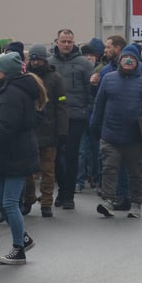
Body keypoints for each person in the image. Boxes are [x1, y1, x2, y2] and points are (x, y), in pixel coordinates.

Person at [0, 52, 44, 265]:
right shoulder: (12, 89)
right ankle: (23, 237)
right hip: (9, 154)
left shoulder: (12, 94)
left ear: (6, 71)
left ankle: (19, 248)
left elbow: (7, 127)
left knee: (8, 202)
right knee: (0, 201)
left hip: (16, 154)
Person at [90, 46, 142, 218]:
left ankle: (136, 203)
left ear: (137, 61)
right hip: (111, 134)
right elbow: (99, 105)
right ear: (120, 60)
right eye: (125, 58)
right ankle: (108, 200)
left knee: (136, 171)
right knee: (109, 168)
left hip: (134, 137)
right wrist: (94, 125)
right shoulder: (108, 79)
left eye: (132, 59)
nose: (128, 61)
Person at [48, 29, 93, 211]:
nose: (66, 44)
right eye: (63, 41)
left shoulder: (83, 64)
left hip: (76, 116)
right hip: (54, 117)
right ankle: (62, 190)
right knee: (57, 157)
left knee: (72, 155)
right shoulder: (50, 63)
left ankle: (69, 195)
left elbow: (91, 89)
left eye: (69, 41)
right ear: (57, 42)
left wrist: (87, 109)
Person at [23, 43, 68, 218]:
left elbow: (62, 105)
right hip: (29, 131)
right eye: (33, 59)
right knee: (27, 171)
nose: (35, 62)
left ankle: (46, 203)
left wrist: (62, 131)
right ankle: (28, 199)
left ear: (44, 59)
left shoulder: (55, 79)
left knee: (48, 170)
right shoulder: (25, 77)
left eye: (38, 59)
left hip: (49, 132)